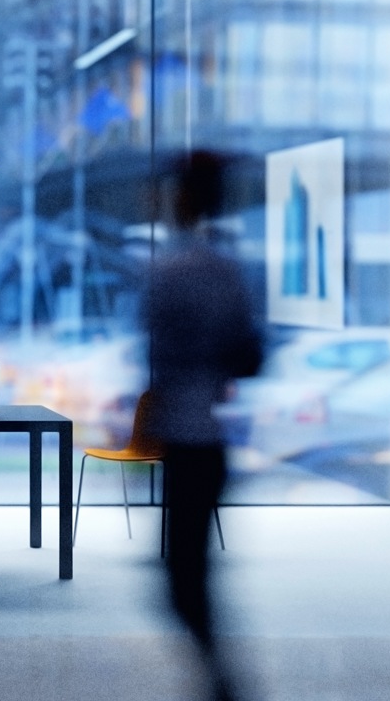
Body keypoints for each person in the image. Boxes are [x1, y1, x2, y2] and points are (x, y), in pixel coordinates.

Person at [144, 151, 263, 701]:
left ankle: (223, 683)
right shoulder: (229, 272)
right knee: (192, 573)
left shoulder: (170, 272)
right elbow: (251, 355)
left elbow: (156, 357)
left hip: (182, 437)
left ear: (181, 199)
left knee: (182, 579)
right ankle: (221, 680)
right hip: (212, 439)